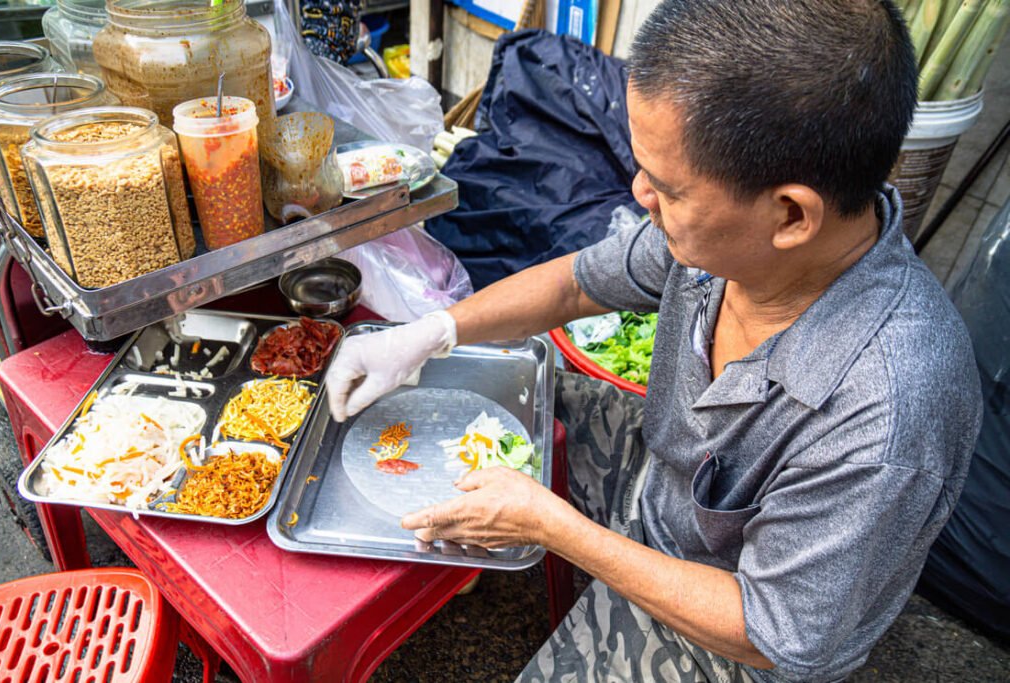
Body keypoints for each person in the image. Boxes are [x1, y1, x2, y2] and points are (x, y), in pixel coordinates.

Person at [326, 1, 983, 680]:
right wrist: (433, 332)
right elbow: (575, 285)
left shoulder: (890, 408)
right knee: (470, 395)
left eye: (667, 186)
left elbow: (770, 630)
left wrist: (554, 527)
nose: (639, 193)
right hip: (660, 483)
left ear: (790, 214)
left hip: (733, 634)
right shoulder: (723, 243)